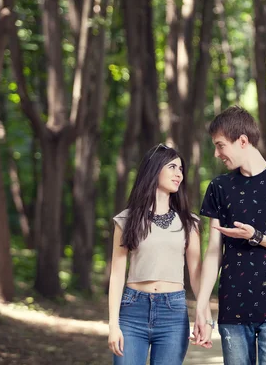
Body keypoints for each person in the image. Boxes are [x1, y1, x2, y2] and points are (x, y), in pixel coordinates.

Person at [191, 106, 266, 365]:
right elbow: (213, 252)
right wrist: (202, 305)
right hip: (232, 309)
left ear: (242, 140)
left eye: (220, 145)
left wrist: (257, 236)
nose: (217, 153)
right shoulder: (219, 187)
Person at [107, 144, 213, 365]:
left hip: (173, 313)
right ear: (154, 169)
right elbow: (117, 275)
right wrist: (113, 325)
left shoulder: (189, 222)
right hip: (132, 310)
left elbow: (195, 274)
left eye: (181, 169)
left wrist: (205, 316)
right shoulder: (126, 220)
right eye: (172, 167)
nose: (179, 174)